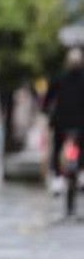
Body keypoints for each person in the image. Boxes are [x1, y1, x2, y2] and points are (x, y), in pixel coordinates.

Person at [44, 48, 84, 195]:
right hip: (80, 124)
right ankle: (81, 173)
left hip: (61, 122)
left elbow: (47, 100)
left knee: (57, 147)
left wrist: (46, 111)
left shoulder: (59, 78)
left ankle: (57, 178)